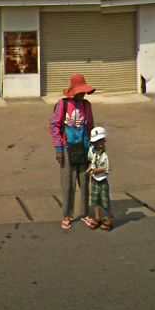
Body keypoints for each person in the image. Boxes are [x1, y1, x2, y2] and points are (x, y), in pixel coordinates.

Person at [49, 73, 96, 231]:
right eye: (80, 92)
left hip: (84, 148)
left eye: (84, 92)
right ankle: (66, 215)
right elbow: (54, 126)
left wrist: (93, 149)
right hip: (67, 148)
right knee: (68, 183)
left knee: (84, 182)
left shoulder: (87, 105)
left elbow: (90, 127)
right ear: (73, 91)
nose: (83, 95)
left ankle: (84, 213)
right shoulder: (62, 105)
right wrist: (58, 149)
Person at [86, 126, 112, 231]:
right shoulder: (92, 151)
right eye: (97, 141)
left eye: (101, 141)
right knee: (95, 200)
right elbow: (91, 162)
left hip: (102, 180)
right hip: (94, 180)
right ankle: (97, 218)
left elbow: (107, 169)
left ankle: (109, 220)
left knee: (105, 201)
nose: (100, 143)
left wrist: (96, 171)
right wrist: (89, 169)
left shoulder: (104, 156)